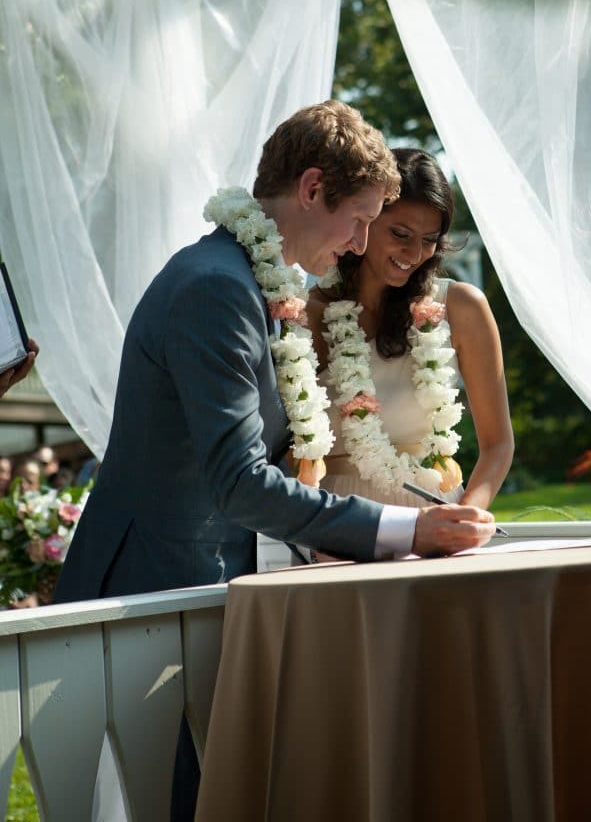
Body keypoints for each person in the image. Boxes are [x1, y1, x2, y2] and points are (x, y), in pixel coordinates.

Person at [54, 101, 495, 821]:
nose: (359, 245)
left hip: (199, 584)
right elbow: (237, 480)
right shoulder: (216, 288)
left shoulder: (251, 281)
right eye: (359, 218)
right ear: (312, 188)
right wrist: (408, 532)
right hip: (146, 591)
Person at [308, 147, 514, 509]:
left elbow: (498, 445)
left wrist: (467, 516)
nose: (415, 253)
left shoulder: (462, 307)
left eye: (429, 239)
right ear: (366, 220)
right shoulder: (311, 313)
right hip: (336, 528)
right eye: (401, 233)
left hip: (437, 520)